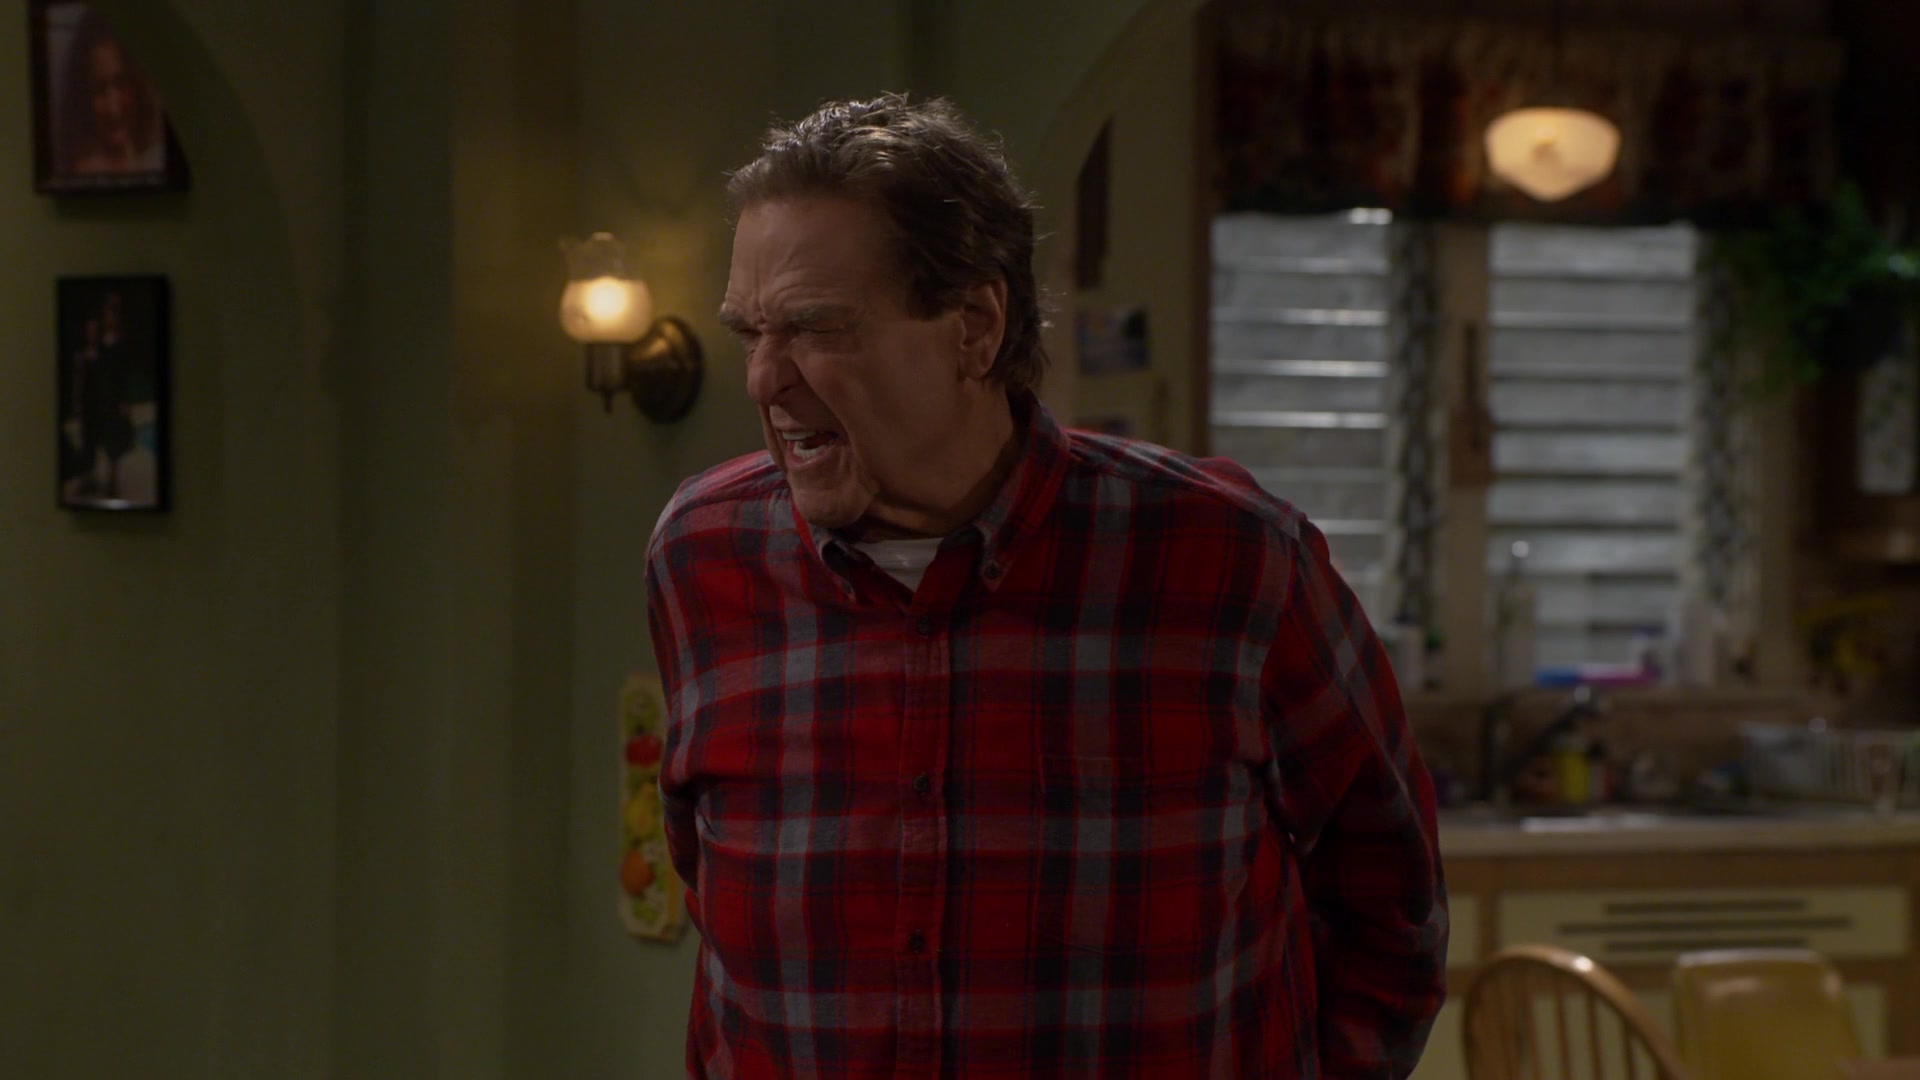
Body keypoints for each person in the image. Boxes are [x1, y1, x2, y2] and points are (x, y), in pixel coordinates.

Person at [646, 94, 1446, 1079]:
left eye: (815, 328)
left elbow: (1390, 904)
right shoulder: (702, 554)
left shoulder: (1231, 560)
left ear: (974, 327)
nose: (766, 380)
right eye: (750, 333)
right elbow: (713, 887)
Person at [56, 9, 166, 178]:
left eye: (121, 83)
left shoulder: (157, 156)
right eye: (99, 90)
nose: (113, 109)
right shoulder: (84, 171)